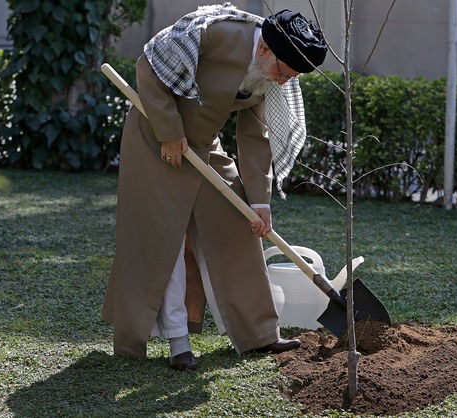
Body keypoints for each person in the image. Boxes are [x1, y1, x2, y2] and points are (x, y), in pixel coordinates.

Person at [102, 3, 327, 370]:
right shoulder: (214, 33)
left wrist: (260, 203)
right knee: (164, 240)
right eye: (284, 73)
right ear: (266, 49)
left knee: (238, 226)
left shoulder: (267, 73)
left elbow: (256, 136)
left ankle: (259, 333)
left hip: (203, 146)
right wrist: (169, 133)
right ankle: (178, 343)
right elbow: (149, 66)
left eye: (290, 77)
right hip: (155, 139)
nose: (284, 82)